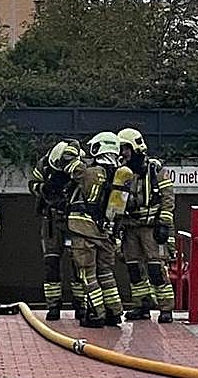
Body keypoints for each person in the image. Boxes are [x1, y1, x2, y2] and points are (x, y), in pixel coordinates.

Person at [68, 131, 132, 329]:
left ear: (100, 147)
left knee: (88, 273)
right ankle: (114, 312)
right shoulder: (119, 173)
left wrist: (71, 146)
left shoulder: (91, 172)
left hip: (85, 230)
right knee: (105, 273)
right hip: (106, 233)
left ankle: (97, 314)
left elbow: (70, 165)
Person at [118, 128, 176, 323]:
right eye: (121, 149)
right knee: (133, 268)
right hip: (130, 227)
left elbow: (168, 199)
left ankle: (166, 308)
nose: (123, 153)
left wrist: (163, 224)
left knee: (155, 269)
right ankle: (141, 305)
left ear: (135, 147)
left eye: (126, 148)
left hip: (151, 227)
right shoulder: (122, 172)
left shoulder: (155, 170)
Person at [28, 138, 85, 321]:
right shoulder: (45, 164)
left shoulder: (79, 165)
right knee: (51, 263)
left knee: (78, 264)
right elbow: (33, 184)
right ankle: (53, 305)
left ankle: (80, 304)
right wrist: (45, 189)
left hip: (72, 221)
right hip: (51, 220)